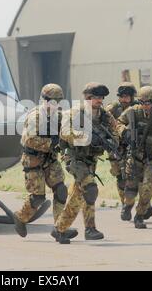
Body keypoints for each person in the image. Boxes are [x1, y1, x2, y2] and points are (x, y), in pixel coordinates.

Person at [53, 82, 119, 244]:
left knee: (80, 194)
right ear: (88, 98)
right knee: (90, 188)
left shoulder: (104, 115)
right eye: (96, 98)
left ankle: (61, 228)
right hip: (74, 157)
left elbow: (116, 132)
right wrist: (86, 137)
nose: (100, 101)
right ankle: (89, 229)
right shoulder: (75, 113)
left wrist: (110, 141)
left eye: (101, 98)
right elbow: (65, 133)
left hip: (90, 159)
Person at [13, 84, 77, 240]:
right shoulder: (35, 116)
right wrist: (52, 143)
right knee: (38, 197)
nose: (55, 105)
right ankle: (21, 217)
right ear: (44, 100)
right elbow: (29, 139)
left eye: (58, 102)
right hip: (33, 160)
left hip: (50, 159)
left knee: (61, 190)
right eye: (52, 101)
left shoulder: (60, 117)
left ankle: (59, 229)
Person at [116, 86, 152, 229]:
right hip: (136, 157)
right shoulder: (132, 112)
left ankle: (139, 215)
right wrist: (124, 131)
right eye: (142, 102)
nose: (146, 106)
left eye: (149, 103)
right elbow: (118, 123)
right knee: (131, 188)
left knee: (147, 187)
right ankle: (128, 205)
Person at [105, 82, 138, 221]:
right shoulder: (112, 108)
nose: (124, 99)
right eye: (122, 97)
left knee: (134, 177)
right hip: (116, 146)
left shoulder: (137, 107)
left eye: (127, 97)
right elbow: (102, 122)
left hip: (133, 146)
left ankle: (141, 204)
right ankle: (125, 204)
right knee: (120, 177)